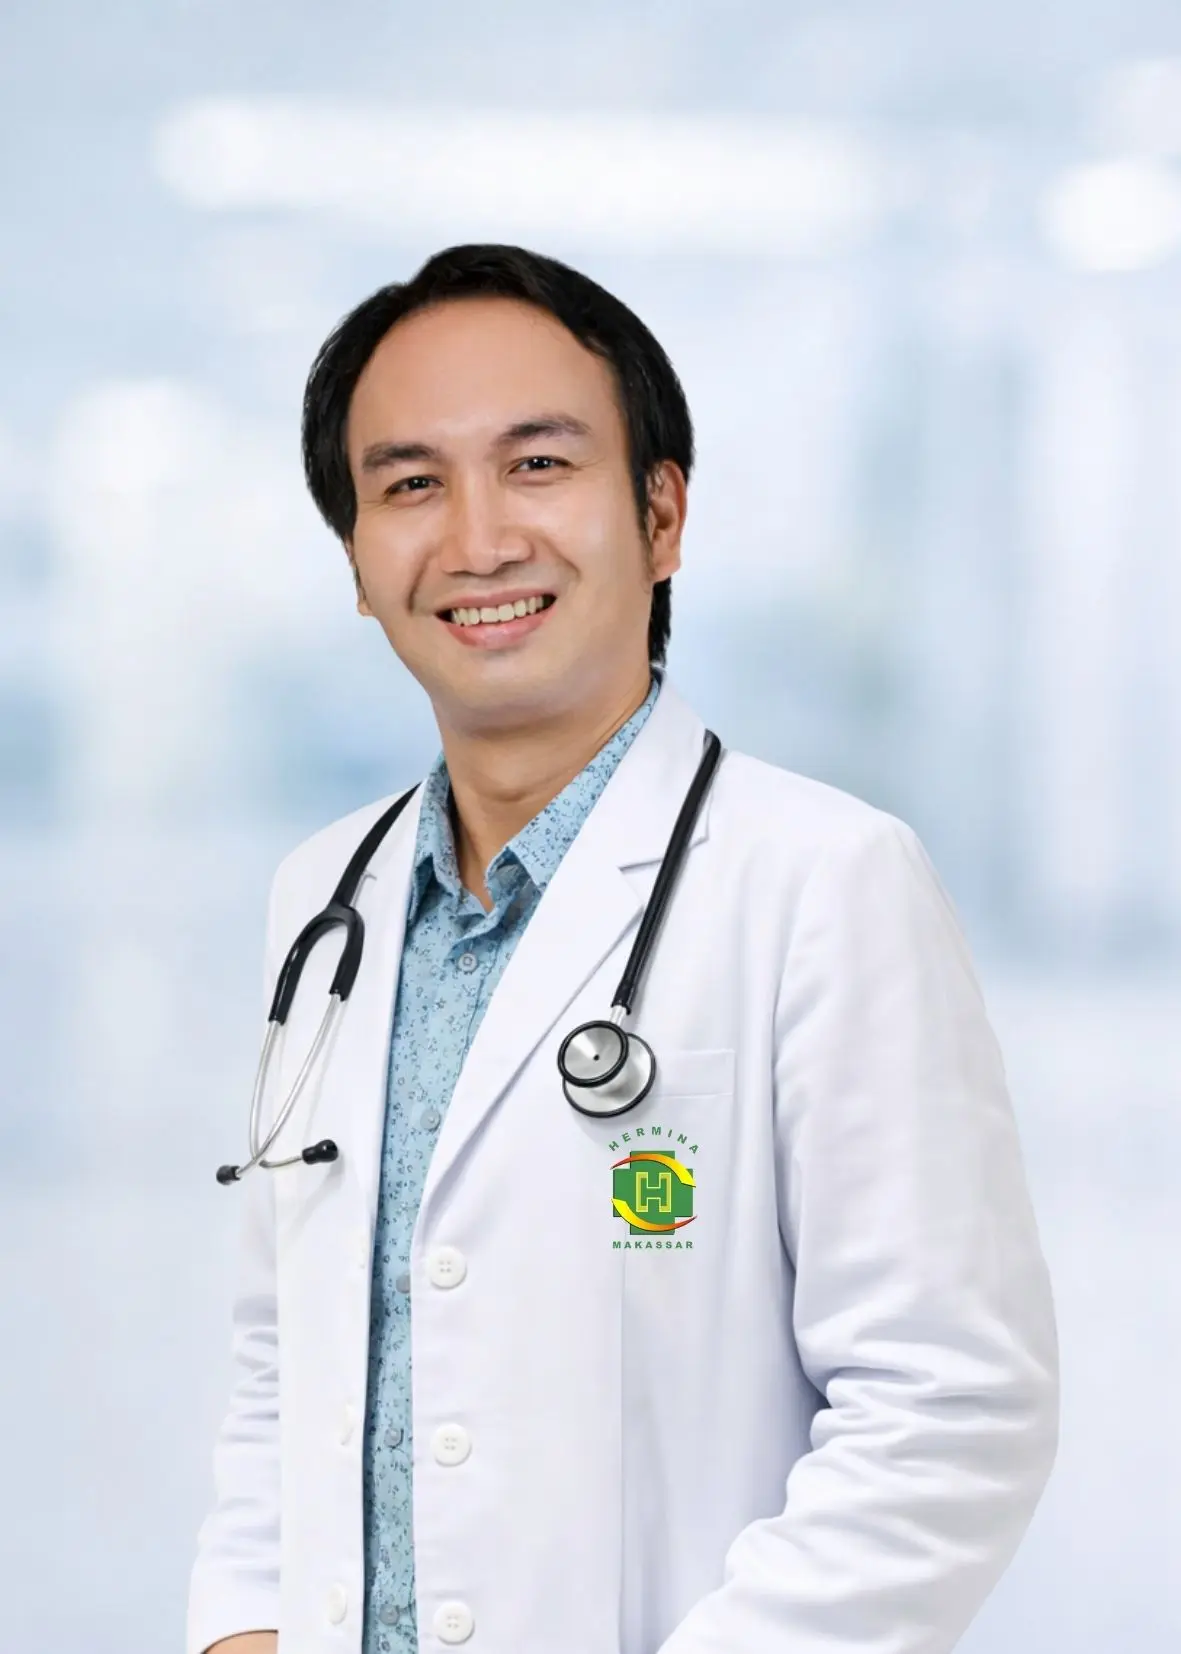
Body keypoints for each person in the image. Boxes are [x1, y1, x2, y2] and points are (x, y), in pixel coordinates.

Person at [188, 244, 1058, 1654]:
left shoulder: (822, 881)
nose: (478, 540)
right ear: (355, 560)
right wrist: (242, 1622)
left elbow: (949, 1409)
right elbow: (284, 1350)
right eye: (410, 485)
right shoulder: (324, 900)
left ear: (661, 515)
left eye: (537, 465)